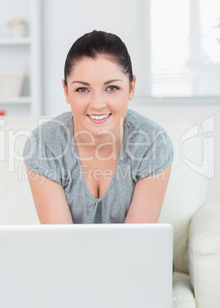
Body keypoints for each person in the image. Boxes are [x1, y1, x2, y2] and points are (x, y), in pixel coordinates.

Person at [24, 30, 173, 224]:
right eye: (82, 89)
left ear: (131, 88)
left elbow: (136, 244)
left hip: (132, 254)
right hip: (66, 254)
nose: (97, 104)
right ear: (66, 91)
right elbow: (61, 245)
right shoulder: (44, 145)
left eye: (111, 88)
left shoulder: (153, 144)